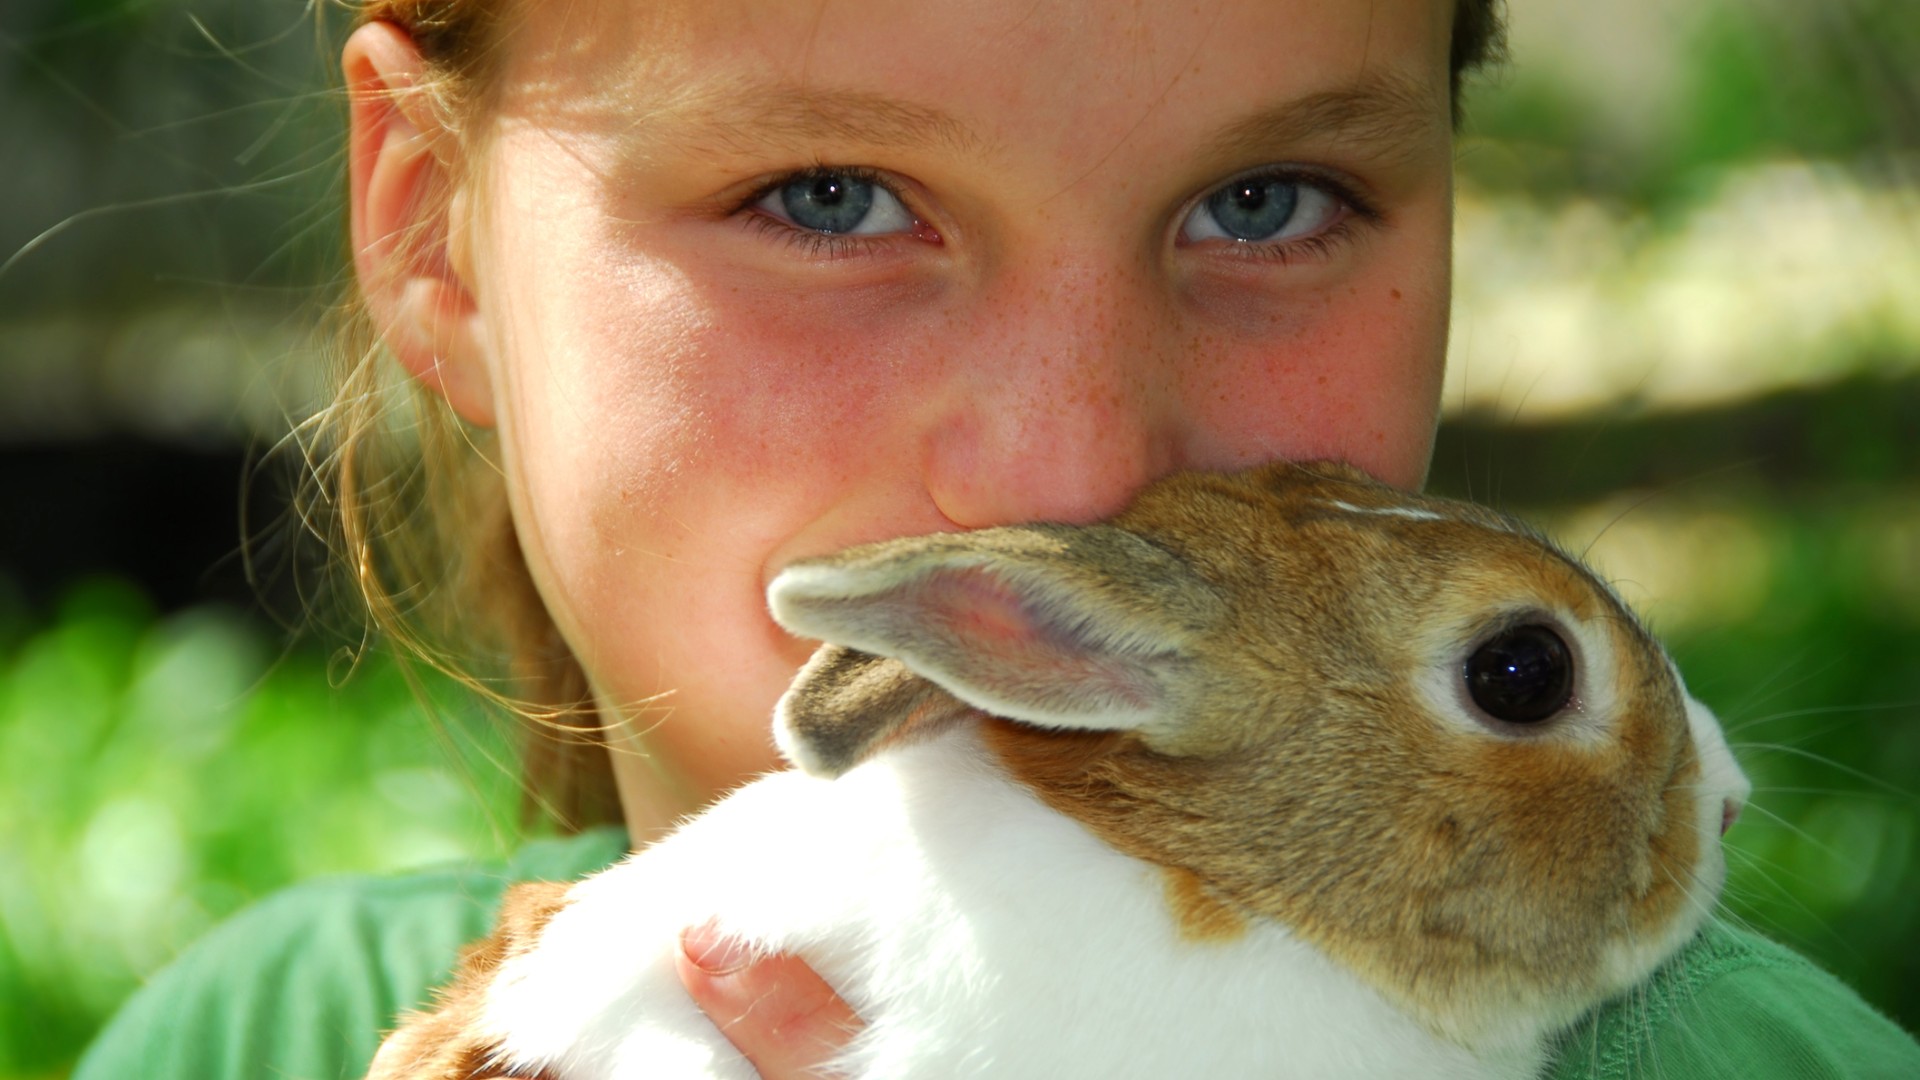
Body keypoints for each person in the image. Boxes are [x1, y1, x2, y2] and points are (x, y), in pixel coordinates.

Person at [73, 1, 1920, 1077]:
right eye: (829, 197)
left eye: (1263, 202)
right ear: (436, 240)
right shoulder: (255, 1036)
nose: (1070, 461)